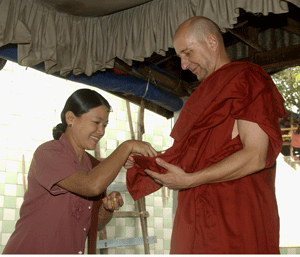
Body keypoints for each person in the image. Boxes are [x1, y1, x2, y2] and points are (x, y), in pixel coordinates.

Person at [126, 16, 286, 254]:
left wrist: (191, 180)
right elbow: (198, 157)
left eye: (188, 53)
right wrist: (144, 161)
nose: (183, 65)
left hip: (235, 218)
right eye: (180, 56)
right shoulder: (204, 96)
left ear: (212, 42)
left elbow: (256, 154)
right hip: (196, 217)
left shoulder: (246, 79)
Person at [3, 88, 157, 254]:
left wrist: (107, 209)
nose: (101, 131)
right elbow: (90, 185)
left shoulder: (92, 166)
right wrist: (127, 146)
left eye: (105, 125)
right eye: (96, 122)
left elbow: (94, 225)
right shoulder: (48, 153)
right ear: (71, 118)